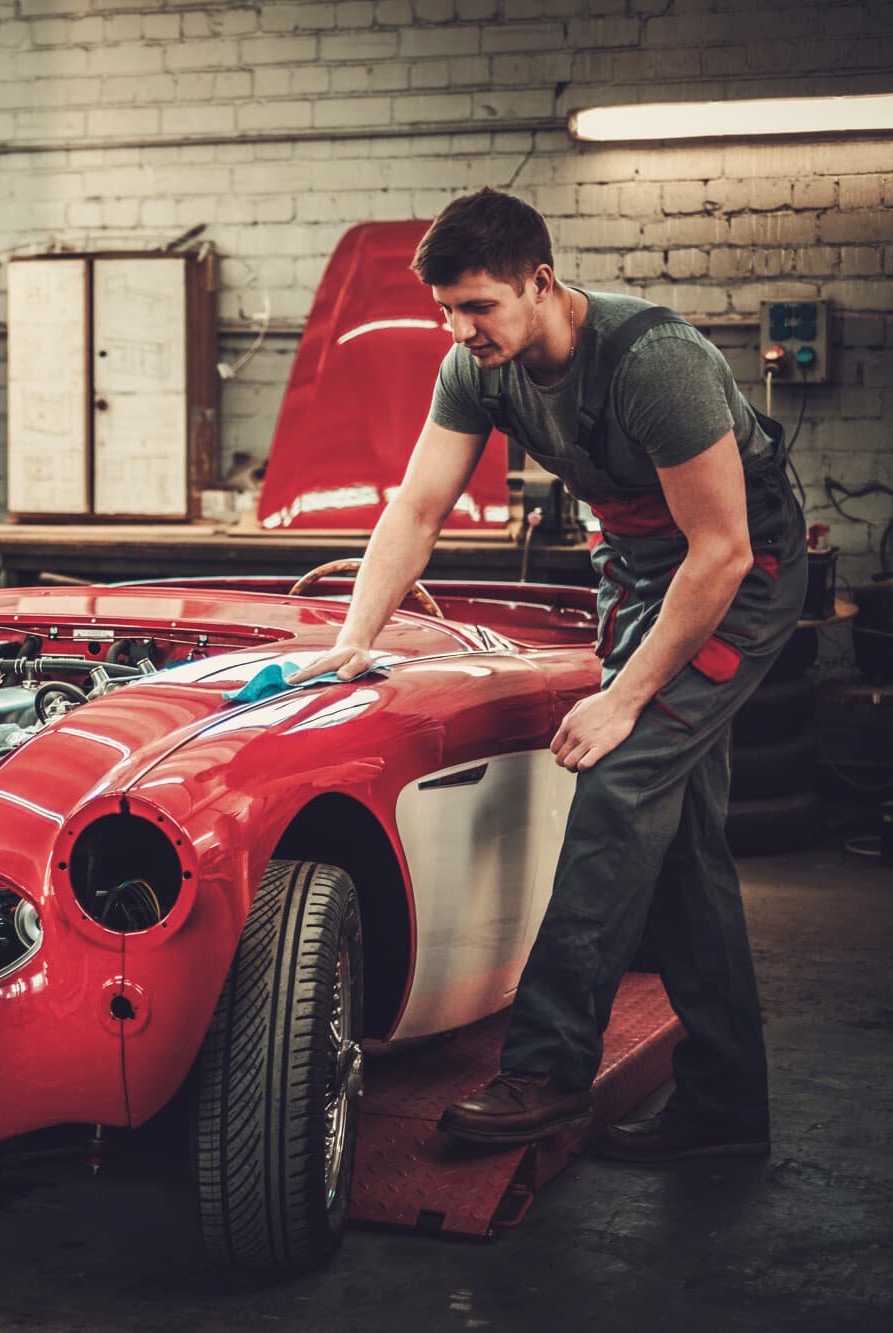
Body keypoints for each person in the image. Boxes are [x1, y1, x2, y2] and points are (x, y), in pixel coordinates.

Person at [287, 187, 805, 1162]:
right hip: (641, 566)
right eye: (445, 308)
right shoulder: (475, 370)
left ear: (540, 280)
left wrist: (621, 695)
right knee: (683, 841)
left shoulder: (657, 366)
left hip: (739, 570)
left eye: (476, 305)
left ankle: (549, 1068)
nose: (458, 328)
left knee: (619, 777)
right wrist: (355, 637)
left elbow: (721, 550)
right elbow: (415, 507)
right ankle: (725, 1109)